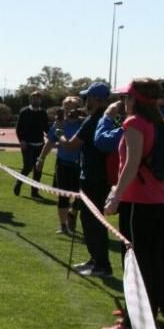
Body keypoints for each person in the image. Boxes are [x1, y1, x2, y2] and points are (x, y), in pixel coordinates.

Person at [102, 79, 164, 329]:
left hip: (139, 202)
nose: (123, 102)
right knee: (153, 259)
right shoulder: (158, 123)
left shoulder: (134, 124)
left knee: (135, 261)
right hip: (159, 201)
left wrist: (116, 195)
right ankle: (142, 310)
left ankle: (134, 322)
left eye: (126, 97)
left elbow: (131, 163)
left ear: (135, 99)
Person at [65, 82, 115, 277]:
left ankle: (102, 265)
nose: (85, 101)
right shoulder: (107, 118)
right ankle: (95, 259)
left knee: (92, 221)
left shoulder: (93, 120)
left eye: (87, 98)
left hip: (93, 177)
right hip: (102, 177)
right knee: (92, 220)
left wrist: (60, 134)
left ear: (95, 99)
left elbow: (71, 146)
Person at [37, 97, 84, 234]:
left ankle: (72, 213)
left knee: (79, 196)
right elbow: (50, 142)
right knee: (63, 196)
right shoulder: (59, 125)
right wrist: (41, 159)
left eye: (71, 106)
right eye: (66, 106)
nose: (68, 109)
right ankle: (63, 225)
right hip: (63, 164)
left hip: (80, 166)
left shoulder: (84, 124)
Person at [15, 90, 49, 198]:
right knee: (28, 167)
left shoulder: (43, 112)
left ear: (41, 100)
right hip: (27, 144)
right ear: (30, 99)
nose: (36, 100)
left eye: (38, 98)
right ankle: (19, 183)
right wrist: (22, 140)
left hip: (40, 144)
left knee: (38, 169)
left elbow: (46, 128)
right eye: (34, 98)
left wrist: (53, 135)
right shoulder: (24, 112)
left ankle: (35, 192)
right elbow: (18, 128)